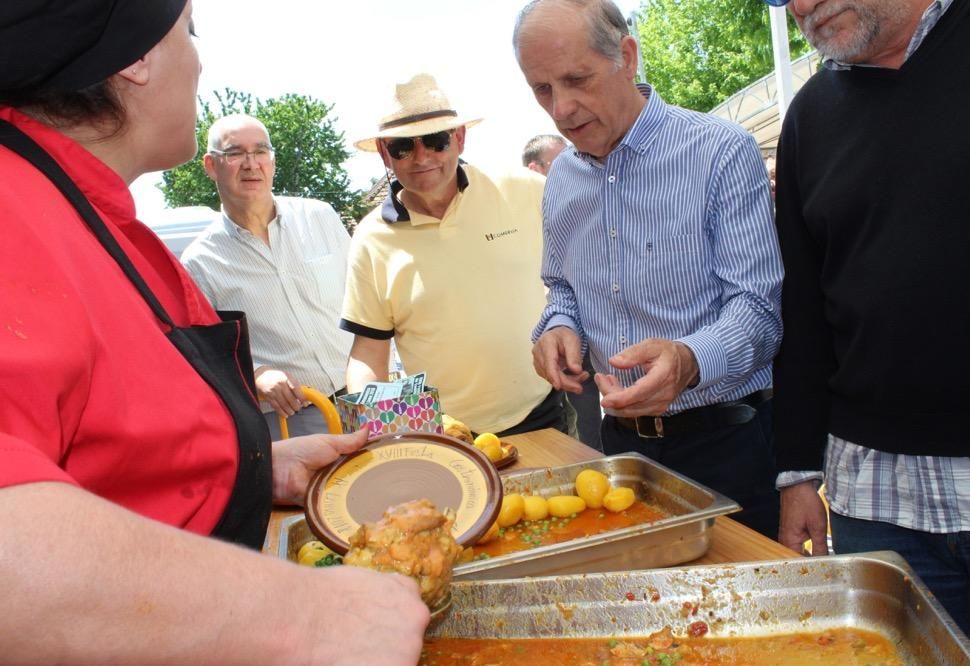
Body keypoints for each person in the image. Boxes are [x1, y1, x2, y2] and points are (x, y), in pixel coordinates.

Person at [0, 2, 428, 663]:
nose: (198, 59)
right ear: (135, 57)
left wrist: (248, 469)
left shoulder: (87, 216)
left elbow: (107, 459)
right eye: (189, 31)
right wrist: (301, 618)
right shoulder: (12, 214)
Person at [770, 0, 970, 643]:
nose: (802, 7)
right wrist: (797, 474)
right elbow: (804, 313)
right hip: (876, 497)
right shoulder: (809, 117)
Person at [513, 0, 784, 538]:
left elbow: (759, 311)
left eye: (576, 79)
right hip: (619, 451)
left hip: (727, 443)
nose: (561, 108)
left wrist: (689, 358)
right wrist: (557, 326)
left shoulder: (719, 152)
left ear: (628, 57)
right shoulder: (562, 179)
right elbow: (563, 287)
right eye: (542, 89)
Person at [342, 73, 571, 438]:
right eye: (402, 147)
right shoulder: (371, 238)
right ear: (385, 154)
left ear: (459, 138)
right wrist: (377, 423)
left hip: (542, 412)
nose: (421, 158)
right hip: (441, 433)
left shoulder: (526, 191)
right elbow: (368, 351)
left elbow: (585, 271)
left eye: (435, 141)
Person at [181, 114, 354, 441]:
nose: (251, 164)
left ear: (272, 160)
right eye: (234, 154)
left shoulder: (320, 217)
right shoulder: (200, 263)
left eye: (260, 151)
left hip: (367, 398)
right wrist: (256, 375)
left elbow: (365, 300)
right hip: (293, 423)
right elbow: (209, 358)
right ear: (210, 165)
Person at [523, 134, 604, 451]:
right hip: (555, 354)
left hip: (584, 345)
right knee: (587, 430)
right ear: (535, 169)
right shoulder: (522, 205)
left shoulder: (583, 201)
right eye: (561, 162)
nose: (574, 166)